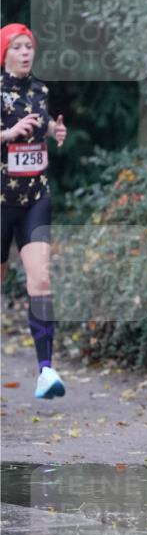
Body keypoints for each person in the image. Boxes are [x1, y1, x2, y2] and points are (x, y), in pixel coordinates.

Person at [1, 23, 67, 398]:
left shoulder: (41, 90)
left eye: (30, 47)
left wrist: (55, 134)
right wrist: (8, 135)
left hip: (35, 198)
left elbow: (42, 132)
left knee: (41, 281)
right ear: (5, 53)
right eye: (18, 47)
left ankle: (46, 371)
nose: (26, 53)